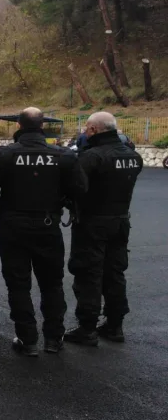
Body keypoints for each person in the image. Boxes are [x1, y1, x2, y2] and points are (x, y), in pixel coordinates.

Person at [0, 108, 88, 357]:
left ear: (18, 126)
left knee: (18, 284)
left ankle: (27, 339)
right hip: (48, 226)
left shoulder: (4, 154)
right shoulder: (63, 155)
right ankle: (53, 339)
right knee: (52, 284)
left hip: (13, 226)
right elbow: (81, 189)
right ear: (42, 126)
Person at [64, 112, 143, 346]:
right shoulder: (133, 156)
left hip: (93, 223)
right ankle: (115, 325)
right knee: (115, 273)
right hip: (120, 221)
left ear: (94, 130)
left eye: (87, 128)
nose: (85, 132)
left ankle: (87, 327)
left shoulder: (92, 157)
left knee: (89, 273)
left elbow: (76, 188)